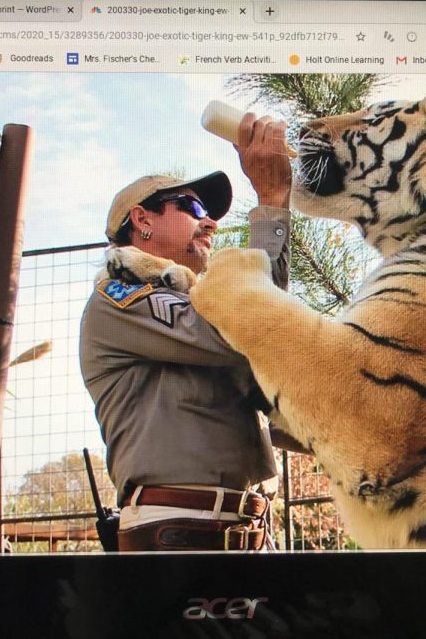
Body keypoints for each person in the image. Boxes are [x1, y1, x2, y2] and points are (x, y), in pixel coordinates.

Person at [79, 113, 299, 551]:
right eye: (193, 207)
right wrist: (272, 200)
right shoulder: (119, 296)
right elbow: (241, 333)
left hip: (250, 532)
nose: (211, 222)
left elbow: (267, 393)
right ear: (142, 220)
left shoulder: (193, 310)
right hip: (178, 534)